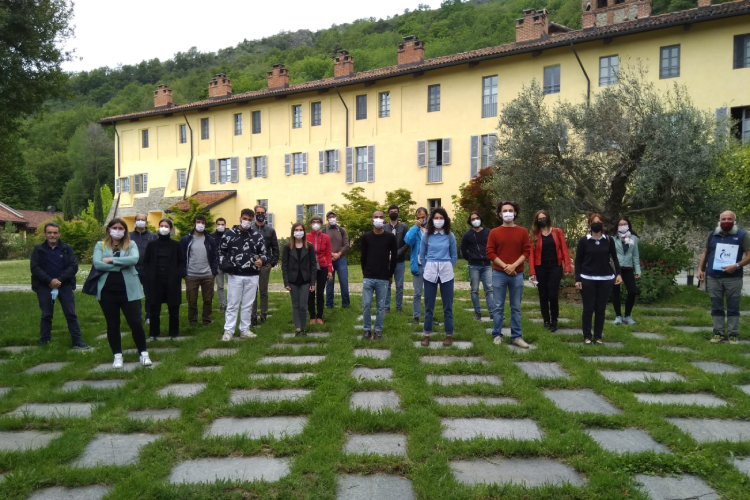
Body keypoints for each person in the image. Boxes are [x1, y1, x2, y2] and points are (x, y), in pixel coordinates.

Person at [93, 218, 151, 368]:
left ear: (125, 230)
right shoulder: (100, 245)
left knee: (136, 323)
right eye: (115, 228)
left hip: (129, 291)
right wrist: (121, 263)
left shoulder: (131, 244)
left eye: (120, 228)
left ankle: (143, 353)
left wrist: (110, 261)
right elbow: (98, 263)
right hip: (107, 292)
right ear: (109, 230)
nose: (117, 231)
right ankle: (117, 355)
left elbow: (134, 260)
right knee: (112, 324)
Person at [29, 222, 90, 349]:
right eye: (50, 232)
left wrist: (60, 280)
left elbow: (74, 266)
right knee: (46, 315)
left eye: (55, 232)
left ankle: (77, 341)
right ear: (45, 234)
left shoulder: (67, 248)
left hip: (65, 285)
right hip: (45, 286)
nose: (52, 235)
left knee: (71, 314)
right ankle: (44, 342)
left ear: (59, 234)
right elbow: (35, 268)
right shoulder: (38, 249)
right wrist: (49, 281)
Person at [697, 210, 750, 344]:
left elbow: (749, 256)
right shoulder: (712, 235)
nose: (726, 222)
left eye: (729, 219)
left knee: (733, 306)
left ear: (734, 221)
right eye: (724, 219)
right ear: (719, 221)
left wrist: (736, 266)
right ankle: (718, 333)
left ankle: (733, 334)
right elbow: (706, 252)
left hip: (734, 278)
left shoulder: (742, 235)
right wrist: (700, 269)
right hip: (713, 277)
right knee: (716, 306)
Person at [487, 201, 531, 349]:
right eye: (504, 210)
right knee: (498, 306)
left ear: (515, 213)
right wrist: (505, 266)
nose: (507, 213)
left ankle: (516, 336)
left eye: (510, 210)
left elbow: (526, 251)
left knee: (516, 307)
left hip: (517, 274)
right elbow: (490, 252)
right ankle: (497, 334)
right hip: (499, 274)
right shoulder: (494, 232)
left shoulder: (522, 231)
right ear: (500, 214)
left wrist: (513, 265)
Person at [219, 209, 268, 341]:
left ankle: (244, 329)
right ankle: (228, 330)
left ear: (252, 221)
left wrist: (261, 260)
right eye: (245, 218)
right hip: (235, 274)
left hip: (252, 274)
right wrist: (225, 265)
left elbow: (264, 253)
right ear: (240, 218)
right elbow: (221, 253)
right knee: (233, 303)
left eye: (249, 219)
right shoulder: (229, 234)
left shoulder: (257, 236)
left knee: (248, 304)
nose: (247, 221)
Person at [574, 213, 623, 345]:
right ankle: (587, 336)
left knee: (600, 309)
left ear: (602, 224)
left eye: (599, 221)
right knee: (588, 309)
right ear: (590, 225)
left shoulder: (608, 240)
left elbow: (614, 258)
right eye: (593, 222)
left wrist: (618, 274)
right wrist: (578, 278)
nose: (596, 224)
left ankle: (598, 336)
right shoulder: (583, 241)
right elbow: (578, 260)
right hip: (587, 278)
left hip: (605, 279)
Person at [419, 207, 458, 347]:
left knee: (447, 305)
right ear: (432, 220)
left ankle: (449, 334)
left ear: (445, 220)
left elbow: (454, 255)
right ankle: (427, 334)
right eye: (436, 218)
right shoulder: (427, 236)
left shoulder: (449, 236)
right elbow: (422, 255)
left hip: (446, 272)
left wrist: (447, 266)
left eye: (441, 218)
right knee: (429, 305)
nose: (439, 220)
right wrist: (427, 267)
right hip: (430, 272)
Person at [529, 210, 571, 332]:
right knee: (543, 295)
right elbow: (531, 255)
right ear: (537, 221)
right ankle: (546, 320)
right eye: (539, 218)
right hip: (540, 267)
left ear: (548, 218)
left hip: (555, 267)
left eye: (544, 217)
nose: (542, 220)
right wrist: (532, 272)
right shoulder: (534, 235)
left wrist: (567, 267)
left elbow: (564, 250)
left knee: (553, 295)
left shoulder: (558, 232)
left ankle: (554, 320)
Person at [143, 219, 184, 340]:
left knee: (173, 308)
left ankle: (174, 333)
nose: (164, 228)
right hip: (155, 280)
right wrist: (149, 274)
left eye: (166, 226)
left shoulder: (176, 245)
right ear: (158, 227)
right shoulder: (152, 244)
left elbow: (181, 262)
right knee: (154, 308)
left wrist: (177, 275)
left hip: (172, 280)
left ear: (171, 229)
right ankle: (153, 333)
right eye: (161, 226)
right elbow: (146, 261)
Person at [361, 211, 398, 340]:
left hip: (383, 277)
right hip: (369, 277)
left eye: (381, 217)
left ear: (384, 220)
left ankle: (378, 330)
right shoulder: (366, 237)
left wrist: (390, 273)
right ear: (372, 220)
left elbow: (394, 257)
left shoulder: (390, 238)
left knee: (381, 307)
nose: (378, 219)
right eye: (375, 217)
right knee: (366, 304)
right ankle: (366, 330)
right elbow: (363, 257)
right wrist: (365, 273)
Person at [180, 214, 218, 327]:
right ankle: (193, 321)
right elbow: (181, 257)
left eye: (203, 222)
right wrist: (184, 273)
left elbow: (215, 256)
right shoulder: (186, 239)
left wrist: (213, 272)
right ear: (194, 223)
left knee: (208, 299)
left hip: (207, 274)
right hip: (191, 275)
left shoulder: (210, 239)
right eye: (198, 222)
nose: (200, 225)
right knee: (192, 301)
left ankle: (207, 320)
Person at [282, 223, 319, 337]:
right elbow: (284, 265)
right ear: (293, 232)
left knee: (303, 305)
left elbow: (313, 265)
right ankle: (297, 329)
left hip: (305, 280)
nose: (299, 232)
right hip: (293, 280)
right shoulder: (287, 247)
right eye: (296, 230)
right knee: (295, 305)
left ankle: (303, 329)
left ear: (304, 232)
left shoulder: (309, 246)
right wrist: (286, 282)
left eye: (301, 230)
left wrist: (313, 282)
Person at [460, 211, 496, 322]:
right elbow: (462, 250)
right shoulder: (467, 235)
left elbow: (494, 246)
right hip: (473, 265)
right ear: (470, 222)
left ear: (480, 219)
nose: (475, 220)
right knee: (474, 290)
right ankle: (477, 313)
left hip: (486, 265)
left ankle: (493, 313)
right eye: (473, 219)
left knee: (489, 289)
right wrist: (470, 258)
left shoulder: (488, 232)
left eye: (477, 218)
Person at [251, 204, 279, 326]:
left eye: (263, 213)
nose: (260, 215)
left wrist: (271, 264)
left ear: (265, 214)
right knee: (252, 292)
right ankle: (252, 316)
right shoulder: (250, 229)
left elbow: (275, 249)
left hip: (264, 265)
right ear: (255, 214)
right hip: (251, 265)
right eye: (258, 213)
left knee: (263, 291)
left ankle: (263, 315)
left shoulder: (270, 230)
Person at [612, 217, 641, 326]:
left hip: (628, 267)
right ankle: (618, 316)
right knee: (616, 292)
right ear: (617, 226)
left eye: (625, 224)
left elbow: (635, 255)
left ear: (628, 225)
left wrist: (638, 270)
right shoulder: (613, 239)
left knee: (632, 291)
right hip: (616, 269)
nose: (623, 225)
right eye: (621, 224)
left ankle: (627, 315)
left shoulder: (633, 238)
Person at [130, 213, 157, 324]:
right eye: (138, 219)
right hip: (132, 268)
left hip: (148, 269)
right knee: (134, 294)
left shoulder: (153, 236)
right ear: (135, 221)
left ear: (146, 222)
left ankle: (149, 316)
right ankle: (136, 316)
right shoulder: (129, 236)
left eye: (143, 219)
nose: (140, 221)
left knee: (149, 293)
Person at [306, 215, 332, 325]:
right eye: (314, 221)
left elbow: (328, 254)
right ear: (310, 224)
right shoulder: (306, 236)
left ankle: (319, 316)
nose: (316, 223)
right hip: (309, 267)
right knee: (310, 292)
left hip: (322, 266)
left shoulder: (326, 237)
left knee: (320, 293)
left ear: (321, 224)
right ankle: (312, 316)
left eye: (318, 221)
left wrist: (330, 270)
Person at [404, 207, 428, 324]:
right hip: (418, 265)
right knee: (417, 293)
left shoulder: (433, 230)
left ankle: (429, 317)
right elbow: (407, 240)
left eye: (423, 217)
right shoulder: (415, 230)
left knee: (430, 293)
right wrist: (415, 227)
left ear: (427, 216)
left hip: (431, 266)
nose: (421, 220)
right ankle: (416, 317)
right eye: (418, 218)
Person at [323, 210, 351, 310]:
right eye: (329, 217)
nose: (332, 218)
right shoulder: (324, 231)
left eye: (333, 216)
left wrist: (338, 254)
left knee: (344, 281)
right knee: (329, 283)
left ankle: (346, 304)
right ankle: (329, 305)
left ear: (336, 217)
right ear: (327, 219)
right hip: (328, 260)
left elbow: (346, 245)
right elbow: (323, 245)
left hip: (341, 259)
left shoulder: (342, 230)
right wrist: (331, 254)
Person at [384, 204, 409, 314]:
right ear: (388, 213)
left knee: (399, 285)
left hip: (399, 261)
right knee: (386, 285)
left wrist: (396, 254)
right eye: (391, 211)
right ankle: (386, 307)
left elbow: (407, 244)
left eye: (395, 211)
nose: (393, 212)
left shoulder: (404, 227)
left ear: (398, 213)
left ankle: (399, 308)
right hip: (385, 261)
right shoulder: (384, 227)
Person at [211, 217, 228, 312]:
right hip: (217, 265)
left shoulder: (229, 235)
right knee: (220, 286)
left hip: (228, 264)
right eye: (219, 224)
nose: (220, 226)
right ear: (216, 225)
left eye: (222, 224)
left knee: (232, 285)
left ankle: (231, 304)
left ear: (225, 225)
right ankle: (222, 305)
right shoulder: (212, 237)